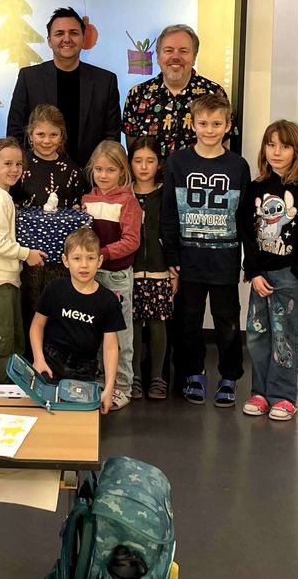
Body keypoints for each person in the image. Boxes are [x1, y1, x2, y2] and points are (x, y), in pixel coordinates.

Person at [161, 94, 250, 408]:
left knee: (227, 322)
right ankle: (193, 373)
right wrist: (172, 255)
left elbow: (245, 217)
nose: (209, 130)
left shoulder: (238, 165)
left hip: (224, 260)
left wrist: (248, 260)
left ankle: (229, 376)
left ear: (227, 126)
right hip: (189, 260)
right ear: (193, 125)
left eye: (216, 124)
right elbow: (169, 213)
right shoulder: (178, 162)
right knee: (189, 320)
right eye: (203, 123)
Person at [239, 120, 298, 422]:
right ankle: (260, 393)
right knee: (257, 336)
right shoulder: (255, 188)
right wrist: (253, 272)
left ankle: (283, 396)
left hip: (287, 277)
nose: (276, 152)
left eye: (285, 146)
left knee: (284, 337)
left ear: (297, 151)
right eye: (271, 145)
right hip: (259, 278)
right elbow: (246, 232)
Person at [7, 8, 122, 168]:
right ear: (49, 40)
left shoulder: (105, 81)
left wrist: (102, 172)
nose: (67, 39)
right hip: (37, 174)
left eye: (73, 33)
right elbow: (15, 132)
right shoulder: (29, 78)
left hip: (90, 176)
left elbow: (112, 138)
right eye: (59, 33)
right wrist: (28, 170)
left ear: (83, 39)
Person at [0, 137, 46, 383]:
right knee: (0, 343)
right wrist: (27, 254)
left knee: (12, 340)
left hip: (4, 279)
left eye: (18, 164)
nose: (14, 169)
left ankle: (9, 390)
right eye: (7, 164)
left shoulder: (1, 196)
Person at [30, 228, 125, 415]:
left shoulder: (108, 300)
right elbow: (36, 326)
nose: (84, 265)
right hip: (50, 365)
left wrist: (109, 387)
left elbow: (111, 347)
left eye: (90, 258)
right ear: (65, 261)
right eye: (77, 258)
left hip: (84, 371)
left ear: (99, 261)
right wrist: (38, 359)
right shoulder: (54, 289)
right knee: (44, 416)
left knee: (77, 420)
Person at [13, 103, 87, 339]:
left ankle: (54, 352)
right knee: (29, 307)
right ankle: (29, 354)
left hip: (61, 260)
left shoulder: (72, 171)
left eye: (53, 135)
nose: (46, 141)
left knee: (57, 309)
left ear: (62, 136)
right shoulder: (19, 166)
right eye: (40, 134)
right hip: (27, 256)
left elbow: (78, 208)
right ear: (30, 134)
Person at [81, 140, 141, 411]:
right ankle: (100, 382)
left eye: (110, 170)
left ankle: (123, 385)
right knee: (95, 332)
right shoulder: (87, 200)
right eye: (98, 169)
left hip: (116, 276)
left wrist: (101, 254)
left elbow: (131, 241)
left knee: (120, 335)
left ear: (122, 172)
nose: (103, 175)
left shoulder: (127, 201)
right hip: (90, 277)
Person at [122, 23, 229, 159]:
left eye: (183, 51)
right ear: (158, 57)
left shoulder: (214, 93)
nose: (176, 57)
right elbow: (133, 149)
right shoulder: (137, 95)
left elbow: (223, 146)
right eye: (168, 51)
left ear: (194, 57)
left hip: (198, 172)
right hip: (151, 173)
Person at [128, 136, 176, 401]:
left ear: (159, 163)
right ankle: (134, 375)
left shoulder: (166, 194)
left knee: (159, 322)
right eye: (138, 161)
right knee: (133, 322)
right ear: (130, 163)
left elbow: (173, 232)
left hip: (160, 270)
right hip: (130, 271)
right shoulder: (125, 194)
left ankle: (157, 376)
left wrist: (174, 270)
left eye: (150, 160)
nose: (144, 167)